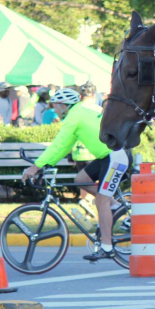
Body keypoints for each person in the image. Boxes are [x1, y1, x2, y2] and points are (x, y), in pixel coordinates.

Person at [21, 89, 132, 262]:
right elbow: (65, 146)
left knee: (101, 200)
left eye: (55, 106)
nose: (54, 109)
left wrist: (36, 166)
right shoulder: (78, 113)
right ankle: (115, 206)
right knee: (81, 180)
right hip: (107, 156)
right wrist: (46, 163)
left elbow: (58, 144)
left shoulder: (74, 117)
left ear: (63, 106)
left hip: (116, 156)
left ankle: (107, 248)